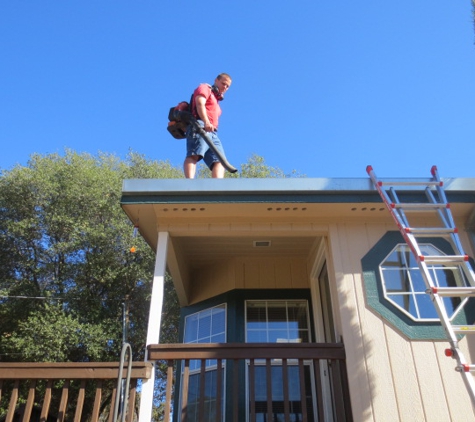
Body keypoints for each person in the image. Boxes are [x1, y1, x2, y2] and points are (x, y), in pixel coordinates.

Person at [183, 73, 232, 179]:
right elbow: (199, 102)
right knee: (194, 154)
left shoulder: (216, 100)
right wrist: (206, 122)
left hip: (213, 132)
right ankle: (189, 183)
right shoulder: (205, 88)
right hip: (200, 125)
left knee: (220, 161)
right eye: (223, 83)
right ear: (216, 80)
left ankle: (217, 188)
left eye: (228, 86)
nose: (225, 87)